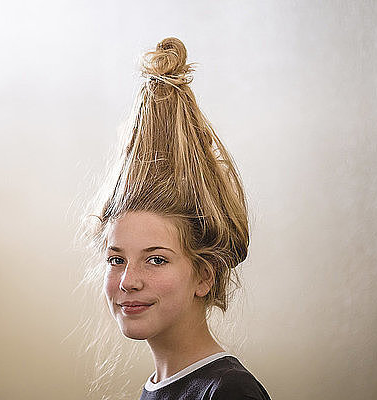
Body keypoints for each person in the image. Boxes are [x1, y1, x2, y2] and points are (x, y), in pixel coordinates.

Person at [85, 37, 272, 399]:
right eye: (116, 259)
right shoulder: (156, 389)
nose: (128, 281)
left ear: (204, 275)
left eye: (156, 259)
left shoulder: (228, 392)